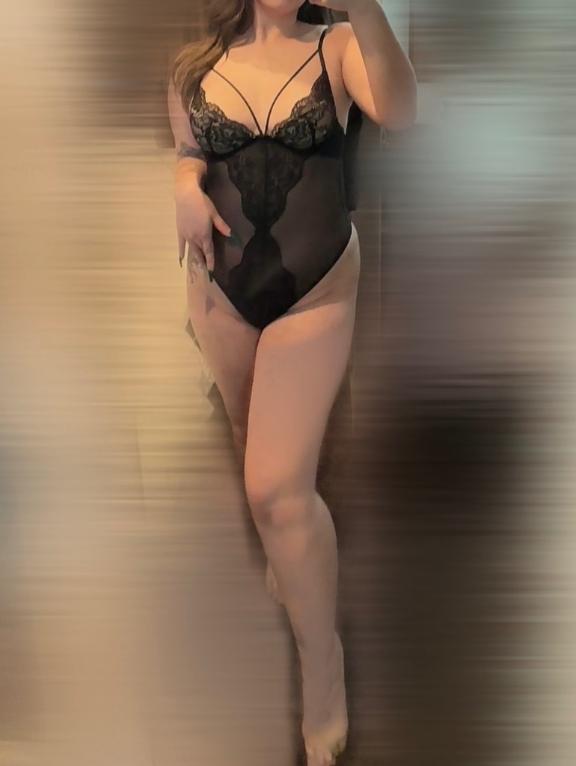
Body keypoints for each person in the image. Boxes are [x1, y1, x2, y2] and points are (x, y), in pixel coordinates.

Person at [167, 2, 416, 763]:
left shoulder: (336, 46)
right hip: (219, 289)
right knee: (253, 449)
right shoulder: (194, 66)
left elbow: (400, 112)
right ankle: (288, 559)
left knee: (276, 488)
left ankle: (322, 670)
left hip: (317, 287)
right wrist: (183, 185)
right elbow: (188, 150)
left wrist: (365, 5)